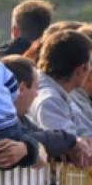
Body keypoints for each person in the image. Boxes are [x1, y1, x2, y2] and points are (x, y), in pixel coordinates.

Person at [30, 29, 92, 163]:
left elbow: (84, 135)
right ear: (81, 70)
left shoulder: (63, 95)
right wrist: (80, 145)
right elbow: (77, 151)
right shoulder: (50, 100)